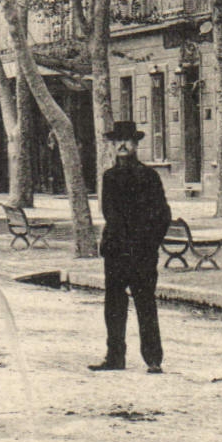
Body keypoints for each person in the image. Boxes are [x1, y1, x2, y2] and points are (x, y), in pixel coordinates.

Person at [90, 120, 172, 374]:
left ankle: (153, 359)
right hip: (116, 254)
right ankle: (115, 357)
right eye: (118, 142)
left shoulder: (149, 177)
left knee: (146, 305)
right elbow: (109, 213)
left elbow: (163, 215)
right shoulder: (109, 177)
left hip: (142, 254)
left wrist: (149, 245)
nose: (122, 146)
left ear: (136, 145)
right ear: (113, 146)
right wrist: (116, 242)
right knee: (113, 307)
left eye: (127, 141)